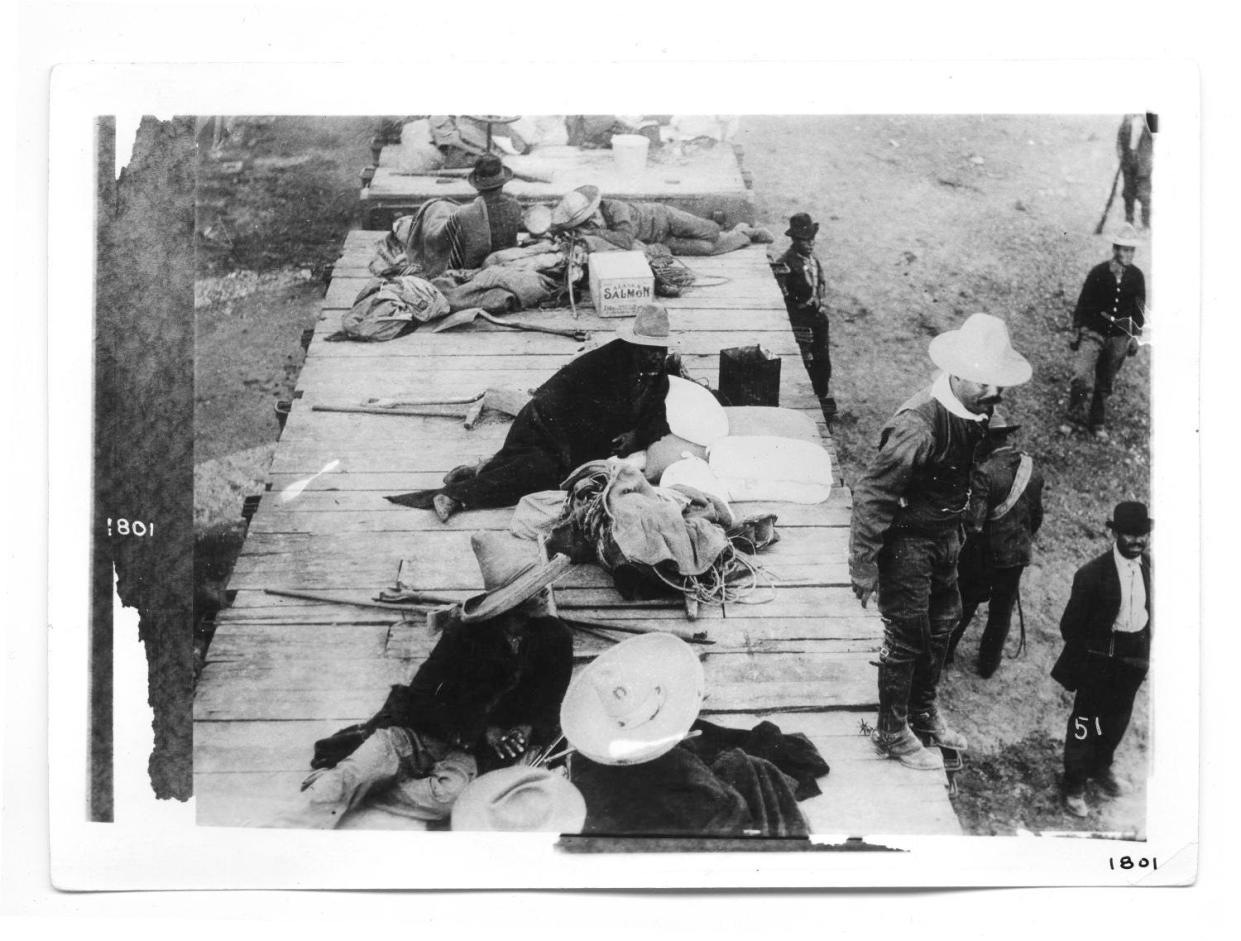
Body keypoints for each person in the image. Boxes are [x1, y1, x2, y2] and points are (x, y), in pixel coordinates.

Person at [275, 534, 574, 829]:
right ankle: (296, 825)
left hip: (467, 751)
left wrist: (525, 728)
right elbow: (422, 695)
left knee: (449, 797)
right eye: (534, 590)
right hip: (419, 731)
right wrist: (485, 729)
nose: (545, 594)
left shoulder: (555, 638)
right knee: (357, 770)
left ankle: (357, 793)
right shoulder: (464, 635)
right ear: (511, 604)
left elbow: (550, 703)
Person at [849, 313, 1032, 770]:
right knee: (906, 636)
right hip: (908, 544)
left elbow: (969, 474)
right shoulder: (919, 425)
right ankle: (892, 732)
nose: (995, 394)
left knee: (942, 623)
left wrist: (965, 527)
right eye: (986, 383)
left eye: (999, 384)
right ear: (957, 372)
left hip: (945, 540)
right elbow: (874, 494)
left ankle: (923, 714)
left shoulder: (974, 413)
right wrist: (864, 566)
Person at [388, 304, 675, 521]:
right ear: (632, 345)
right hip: (546, 427)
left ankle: (481, 469)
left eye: (659, 351)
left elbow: (657, 421)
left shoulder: (656, 378)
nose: (655, 357)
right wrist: (568, 458)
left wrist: (635, 436)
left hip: (581, 443)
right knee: (537, 475)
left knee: (536, 471)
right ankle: (455, 497)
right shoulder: (601, 365)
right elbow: (554, 403)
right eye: (649, 350)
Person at [1051, 502, 1152, 818]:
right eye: (1131, 535)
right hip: (1099, 658)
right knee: (1084, 722)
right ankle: (1074, 784)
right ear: (1116, 533)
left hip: (1133, 655)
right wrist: (1093, 655)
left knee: (1117, 719)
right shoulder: (1093, 574)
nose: (1138, 541)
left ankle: (1101, 768)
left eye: (1143, 535)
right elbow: (1070, 627)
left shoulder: (1150, 567)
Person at [946, 409, 1045, 678]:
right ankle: (988, 665)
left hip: (984, 556)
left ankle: (946, 654)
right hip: (1017, 556)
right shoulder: (1031, 468)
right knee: (1002, 611)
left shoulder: (985, 472)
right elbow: (1036, 517)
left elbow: (974, 524)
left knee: (965, 603)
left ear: (987, 439)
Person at [1063, 224, 1146, 440]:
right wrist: (1077, 329)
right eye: (1124, 249)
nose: (1127, 254)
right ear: (1115, 249)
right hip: (1094, 333)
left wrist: (1136, 337)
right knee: (1081, 377)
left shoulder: (1137, 277)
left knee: (1105, 381)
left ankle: (1097, 422)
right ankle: (1073, 418)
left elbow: (1138, 309)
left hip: (1119, 338)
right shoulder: (1099, 272)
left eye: (1131, 250)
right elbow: (1083, 302)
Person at [550, 185, 772, 256]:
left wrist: (594, 233)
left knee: (711, 232)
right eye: (588, 222)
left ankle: (744, 228)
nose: (595, 222)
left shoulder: (614, 207)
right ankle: (744, 233)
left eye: (594, 215)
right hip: (660, 239)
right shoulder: (590, 228)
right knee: (705, 249)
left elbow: (625, 240)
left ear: (597, 206)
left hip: (665, 218)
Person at [772, 212, 834, 420]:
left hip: (817, 318)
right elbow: (784, 299)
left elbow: (819, 283)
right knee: (805, 363)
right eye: (804, 240)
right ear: (794, 240)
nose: (810, 244)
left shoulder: (811, 259)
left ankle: (821, 396)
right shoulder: (786, 264)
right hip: (801, 321)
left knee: (822, 361)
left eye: (811, 239)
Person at [1117, 114, 1153, 229]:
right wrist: (1121, 155)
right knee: (1128, 194)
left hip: (1144, 164)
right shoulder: (1127, 118)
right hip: (1128, 163)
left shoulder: (1150, 118)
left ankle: (1146, 225)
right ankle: (1129, 222)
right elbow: (1119, 140)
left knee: (1144, 195)